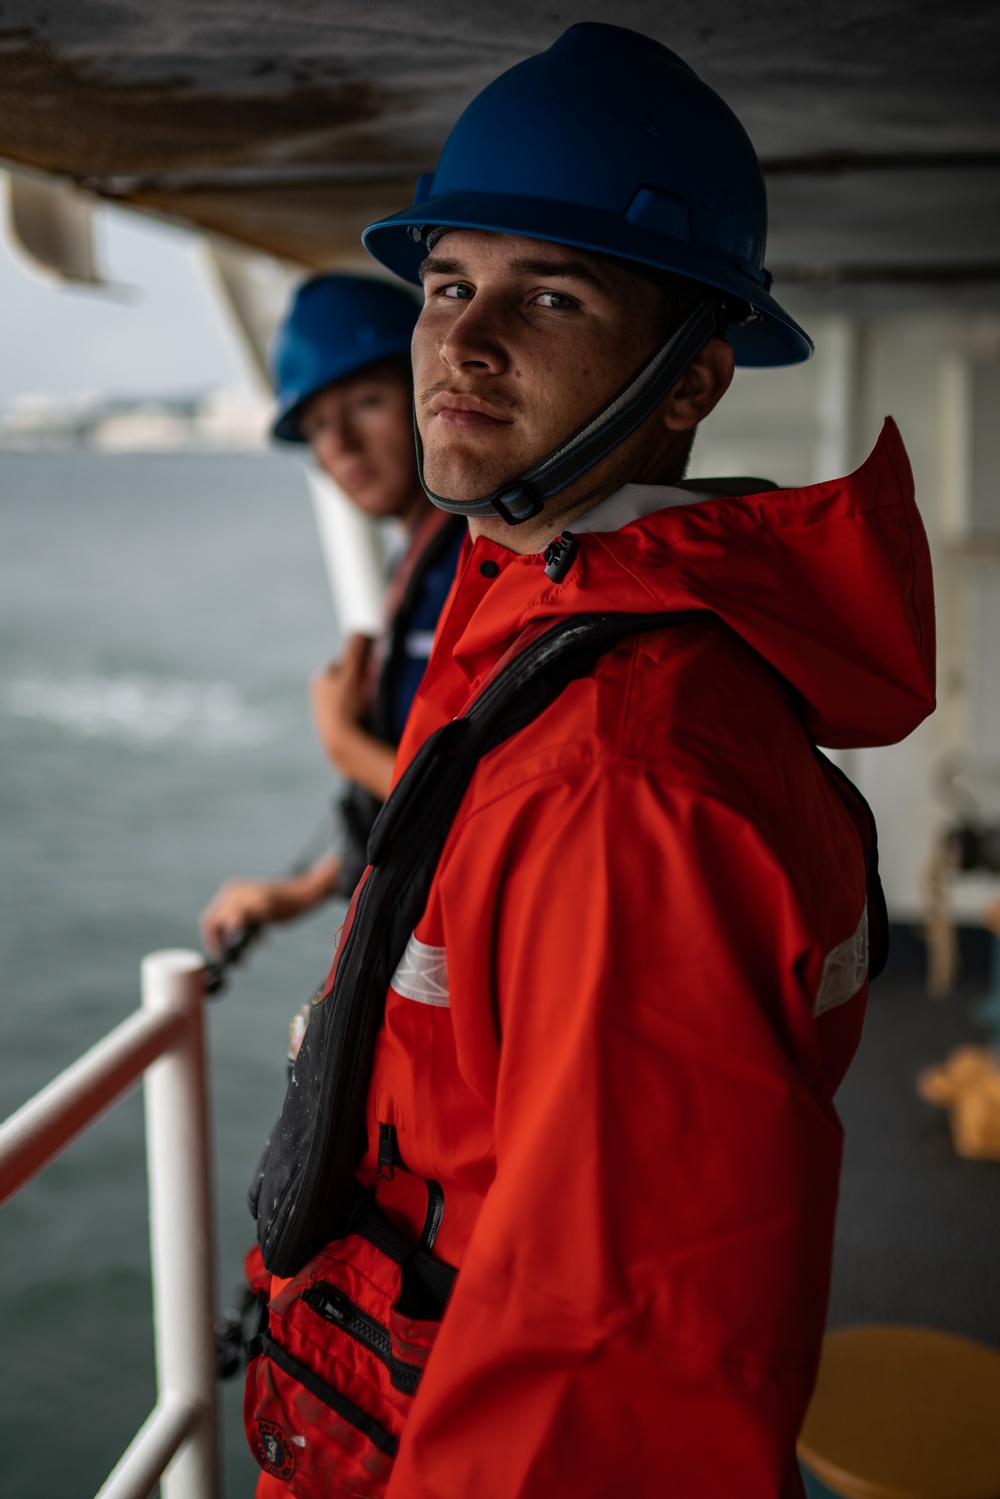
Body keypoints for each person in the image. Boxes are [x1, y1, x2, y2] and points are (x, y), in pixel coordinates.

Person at [250, 24, 935, 1498]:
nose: (463, 340)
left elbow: (615, 1355)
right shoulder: (541, 625)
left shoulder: (625, 773)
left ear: (692, 380)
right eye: (447, 284)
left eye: (548, 294)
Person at [199, 274, 464, 963]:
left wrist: (343, 741)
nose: (340, 443)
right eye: (316, 424)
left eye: (366, 402)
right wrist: (306, 889)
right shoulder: (417, 560)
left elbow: (484, 808)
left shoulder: (478, 564)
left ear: (428, 393)